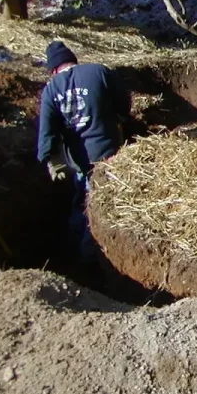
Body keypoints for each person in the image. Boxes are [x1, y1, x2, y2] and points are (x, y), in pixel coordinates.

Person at [36, 41, 131, 264]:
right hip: (107, 155)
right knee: (99, 206)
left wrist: (50, 159)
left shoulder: (51, 89)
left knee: (82, 198)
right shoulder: (98, 71)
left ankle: (71, 245)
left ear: (53, 69)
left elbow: (47, 129)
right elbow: (123, 102)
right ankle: (89, 257)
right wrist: (120, 116)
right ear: (73, 60)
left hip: (79, 161)